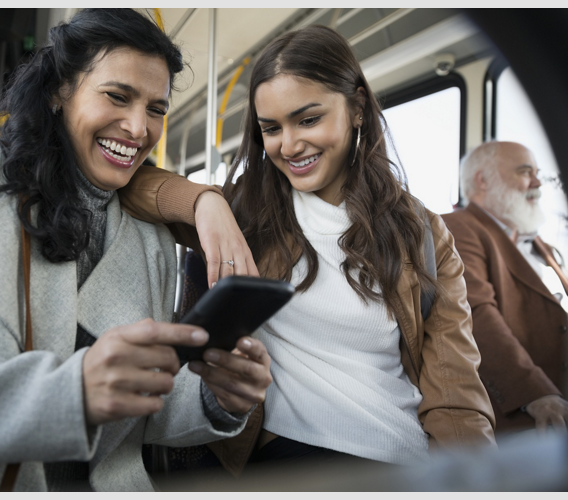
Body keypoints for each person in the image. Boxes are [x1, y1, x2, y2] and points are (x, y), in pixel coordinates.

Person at [0, 9, 271, 492]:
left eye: (156, 109)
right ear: (58, 91)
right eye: (116, 96)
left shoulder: (149, 235)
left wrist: (218, 398)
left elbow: (142, 406)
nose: (137, 128)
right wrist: (68, 394)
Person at [124, 24, 496, 475]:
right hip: (291, 455)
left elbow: (455, 389)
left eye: (308, 119)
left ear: (357, 107)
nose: (290, 145)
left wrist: (478, 480)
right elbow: (134, 184)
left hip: (403, 454)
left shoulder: (422, 233)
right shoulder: (249, 211)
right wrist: (207, 202)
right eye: (271, 129)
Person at [441, 141, 568, 436]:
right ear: (483, 180)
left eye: (537, 173)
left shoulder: (543, 248)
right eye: (526, 172)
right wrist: (535, 393)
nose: (537, 183)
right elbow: (473, 312)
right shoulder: (457, 228)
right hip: (527, 416)